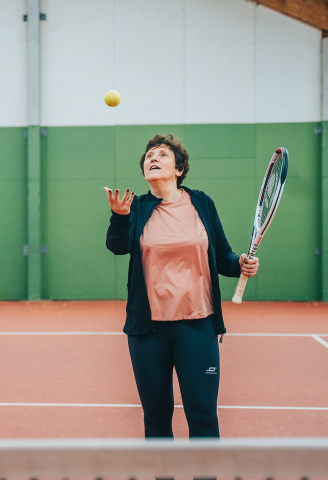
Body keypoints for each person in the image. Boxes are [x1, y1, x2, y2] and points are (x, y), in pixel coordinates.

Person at [104, 134, 259, 441]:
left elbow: (222, 257)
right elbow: (117, 247)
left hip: (197, 326)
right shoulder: (136, 208)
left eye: (162, 154)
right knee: (156, 417)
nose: (153, 158)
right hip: (147, 330)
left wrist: (240, 264)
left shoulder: (202, 203)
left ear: (179, 169)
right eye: (149, 155)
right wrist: (120, 218)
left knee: (203, 416)